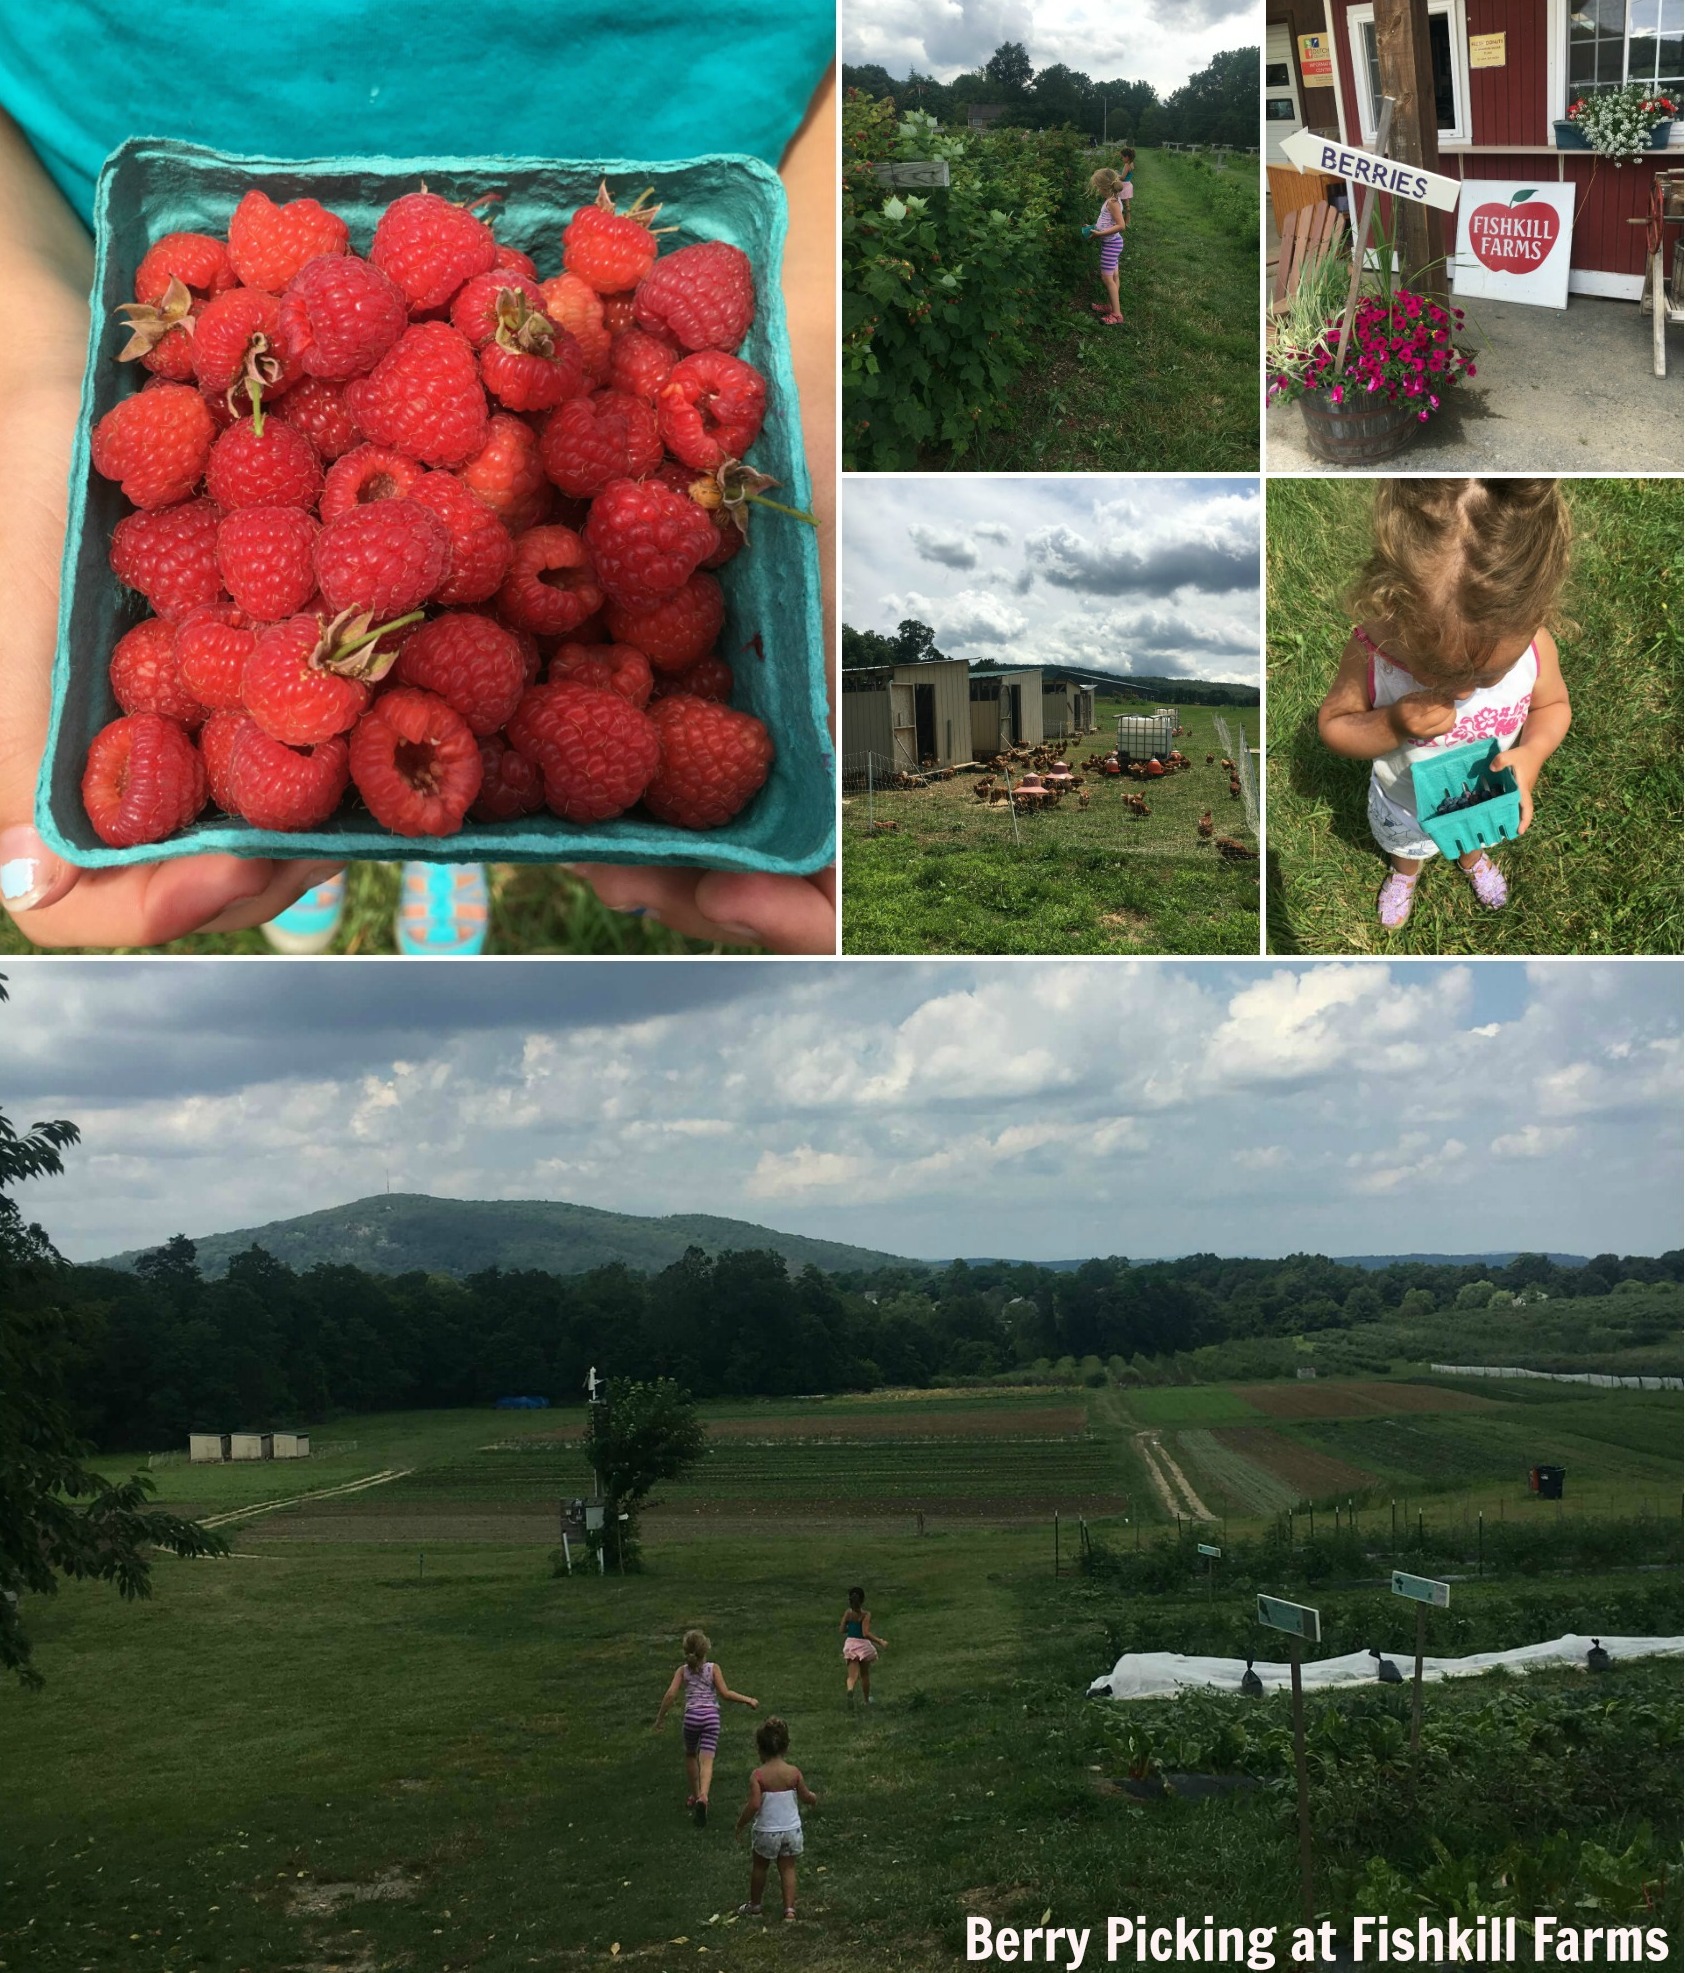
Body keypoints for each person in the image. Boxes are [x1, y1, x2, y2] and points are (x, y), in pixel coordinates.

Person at [0, 4, 834, 954]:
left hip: (720, 137)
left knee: (461, 750)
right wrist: (28, 351)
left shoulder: (518, 407)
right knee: (350, 767)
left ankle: (392, 826)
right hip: (65, 175)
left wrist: (812, 348)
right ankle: (320, 811)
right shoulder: (300, 413)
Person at [1315, 478, 1573, 932]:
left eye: (1488, 677)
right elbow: (1334, 726)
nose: (1463, 694)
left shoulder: (1535, 646)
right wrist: (1393, 722)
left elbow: (1551, 707)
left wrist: (1531, 756)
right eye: (1432, 671)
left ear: (1538, 613)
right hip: (1404, 802)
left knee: (1469, 836)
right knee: (1408, 846)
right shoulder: (1373, 651)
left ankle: (1472, 859)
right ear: (1393, 603)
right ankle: (1403, 874)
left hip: (1477, 796)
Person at [652, 1627, 758, 1826]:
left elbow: (670, 1695)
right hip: (711, 1718)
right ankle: (703, 1797)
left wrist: (660, 1719)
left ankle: (694, 1795)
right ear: (705, 1649)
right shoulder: (713, 1668)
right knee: (707, 1761)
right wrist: (748, 1700)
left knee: (691, 1755)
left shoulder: (682, 1671)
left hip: (691, 1717)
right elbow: (725, 1693)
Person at [734, 1715, 817, 1922]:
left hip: (766, 1831)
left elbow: (754, 1805)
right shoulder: (794, 1773)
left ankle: (755, 1906)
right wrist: (813, 1798)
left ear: (760, 1749)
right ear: (786, 1747)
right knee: (788, 1868)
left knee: (760, 1866)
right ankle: (789, 1910)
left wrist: (740, 1823)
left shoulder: (758, 1776)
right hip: (791, 1830)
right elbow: (806, 1796)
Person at [1085, 168, 1127, 327]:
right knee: (1114, 276)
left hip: (1111, 244)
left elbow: (1121, 225)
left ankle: (1116, 314)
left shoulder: (1112, 202)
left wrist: (1099, 234)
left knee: (1107, 278)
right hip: (1113, 242)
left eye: (1097, 186)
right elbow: (1107, 222)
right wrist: (1093, 227)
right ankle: (1111, 306)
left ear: (1103, 187)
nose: (1096, 189)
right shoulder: (1113, 199)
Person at [839, 1584, 888, 1703]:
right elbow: (865, 1633)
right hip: (862, 1646)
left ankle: (850, 1689)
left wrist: (850, 1629)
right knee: (864, 1674)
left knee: (852, 1676)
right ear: (862, 1600)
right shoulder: (865, 1615)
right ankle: (866, 1700)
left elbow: (841, 1629)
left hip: (850, 1644)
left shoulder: (848, 1613)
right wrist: (880, 1641)